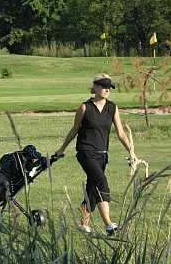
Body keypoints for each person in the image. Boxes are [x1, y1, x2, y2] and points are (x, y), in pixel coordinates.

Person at [54, 73, 134, 235]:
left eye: (109, 87)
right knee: (101, 181)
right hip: (85, 152)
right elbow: (74, 130)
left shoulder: (112, 107)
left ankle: (83, 224)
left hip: (102, 155)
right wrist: (62, 149)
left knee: (92, 187)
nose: (107, 89)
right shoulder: (85, 107)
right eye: (103, 86)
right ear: (95, 87)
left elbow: (121, 133)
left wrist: (132, 152)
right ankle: (109, 224)